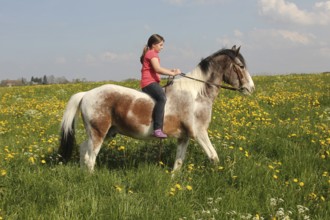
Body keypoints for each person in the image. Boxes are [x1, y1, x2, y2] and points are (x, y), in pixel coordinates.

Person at [140, 34, 181, 138]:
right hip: (149, 83)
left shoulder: (150, 53)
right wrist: (172, 73)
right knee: (162, 98)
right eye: (161, 45)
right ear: (154, 45)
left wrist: (170, 71)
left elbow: (157, 69)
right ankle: (157, 129)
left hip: (150, 82)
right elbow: (158, 69)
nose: (162, 47)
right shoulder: (152, 54)